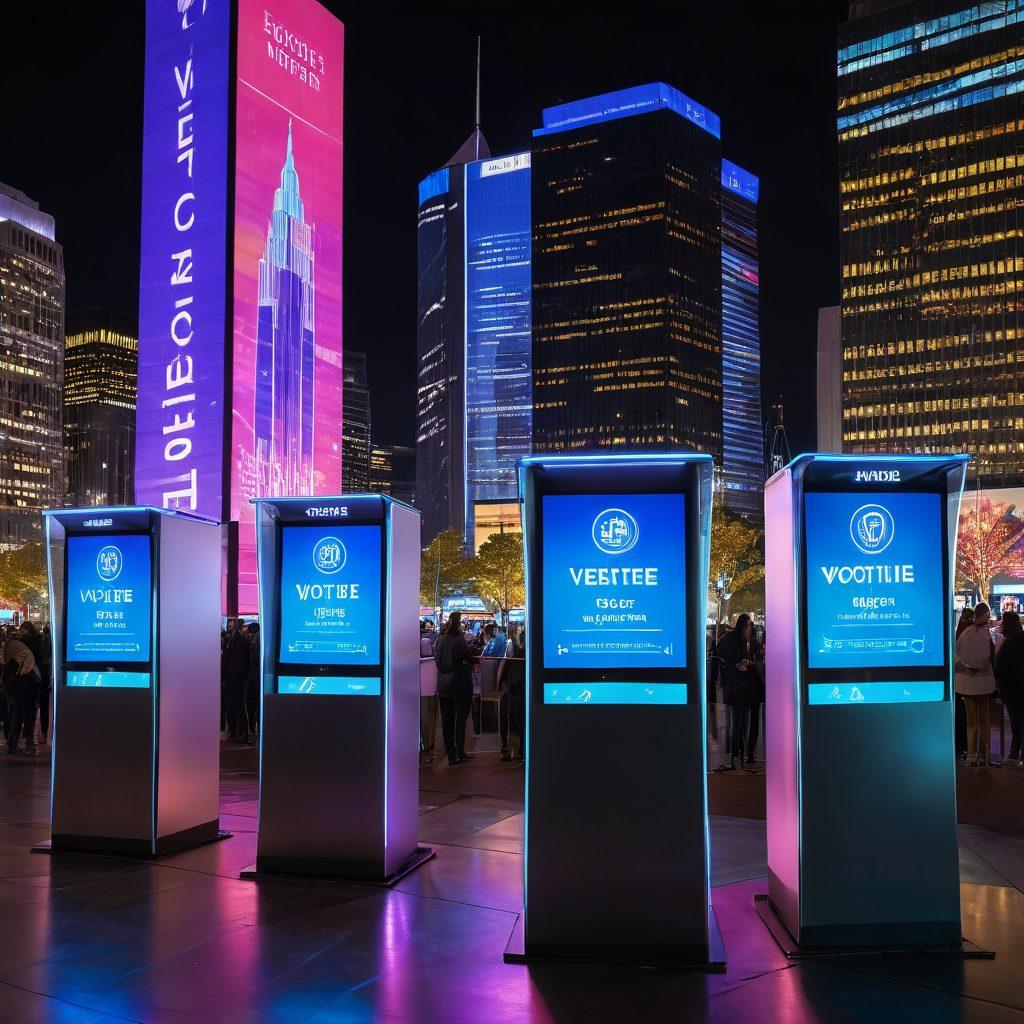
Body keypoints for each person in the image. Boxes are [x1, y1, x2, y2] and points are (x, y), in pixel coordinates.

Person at [955, 602, 998, 767]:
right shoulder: (983, 634)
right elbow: (985, 658)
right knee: (984, 719)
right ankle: (984, 756)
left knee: (972, 721)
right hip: (983, 683)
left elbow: (959, 657)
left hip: (965, 684)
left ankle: (972, 756)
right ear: (985, 615)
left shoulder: (964, 633)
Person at [719, 613, 763, 773]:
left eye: (751, 626)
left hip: (754, 688)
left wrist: (754, 663)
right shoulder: (732, 640)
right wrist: (738, 663)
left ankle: (749, 754)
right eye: (748, 625)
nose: (750, 628)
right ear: (742, 627)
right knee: (740, 721)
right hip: (740, 688)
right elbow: (725, 656)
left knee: (753, 721)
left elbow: (759, 660)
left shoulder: (754, 643)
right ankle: (737, 753)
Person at [433, 611, 477, 766]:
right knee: (460, 721)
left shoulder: (440, 640)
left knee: (447, 721)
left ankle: (451, 755)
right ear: (459, 625)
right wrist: (473, 659)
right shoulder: (459, 641)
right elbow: (465, 658)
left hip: (443, 686)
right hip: (460, 685)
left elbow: (438, 661)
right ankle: (460, 752)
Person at [3, 629, 39, 755]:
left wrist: (5, 687)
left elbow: (9, 674)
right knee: (20, 713)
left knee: (15, 713)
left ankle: (13, 743)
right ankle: (19, 741)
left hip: (17, 687)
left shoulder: (11, 652)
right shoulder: (21, 653)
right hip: (23, 685)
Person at [995, 609, 1024, 766]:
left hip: (1011, 689)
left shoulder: (1006, 643)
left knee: (1015, 721)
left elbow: (998, 668)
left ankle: (1014, 753)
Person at [496, 625, 525, 763]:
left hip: (510, 691)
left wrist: (500, 687)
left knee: (507, 719)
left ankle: (506, 747)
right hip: (519, 691)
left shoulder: (509, 657)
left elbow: (501, 675)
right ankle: (520, 749)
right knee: (520, 720)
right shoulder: (526, 658)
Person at [221, 616, 250, 742]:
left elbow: (235, 660)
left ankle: (237, 731)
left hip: (235, 677)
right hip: (235, 676)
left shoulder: (238, 640)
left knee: (237, 703)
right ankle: (235, 731)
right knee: (235, 703)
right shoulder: (235, 638)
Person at [18, 621, 45, 748]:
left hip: (23, 678)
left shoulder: (22, 642)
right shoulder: (37, 641)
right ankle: (28, 732)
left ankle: (20, 734)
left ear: (26, 630)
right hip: (34, 678)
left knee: (20, 708)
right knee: (32, 707)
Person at [419, 620, 438, 763]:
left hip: (416, 689)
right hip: (429, 689)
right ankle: (427, 744)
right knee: (428, 715)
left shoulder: (419, 640)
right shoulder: (434, 639)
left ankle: (424, 744)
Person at [243, 622, 260, 745]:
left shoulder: (255, 640)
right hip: (255, 678)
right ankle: (254, 732)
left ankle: (252, 732)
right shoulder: (256, 639)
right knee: (255, 706)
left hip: (253, 679)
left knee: (251, 705)